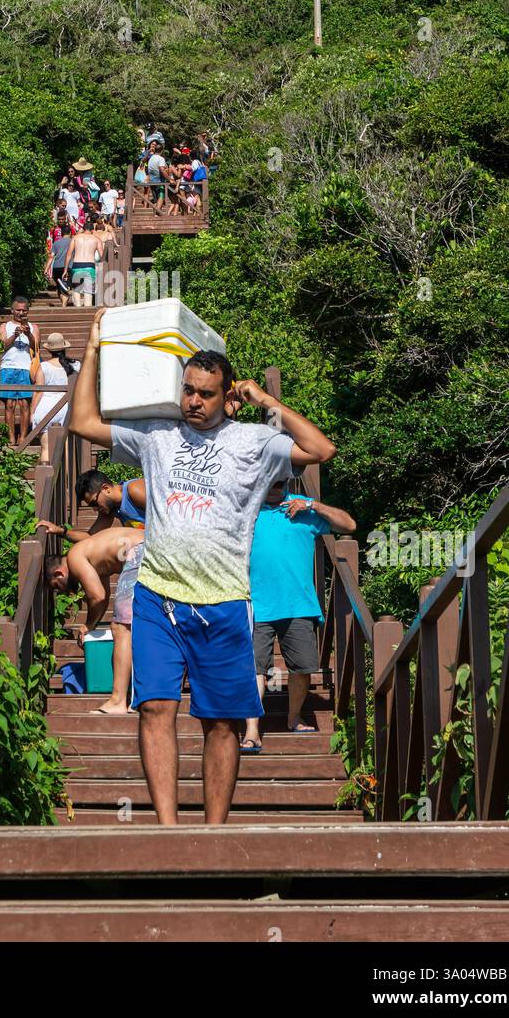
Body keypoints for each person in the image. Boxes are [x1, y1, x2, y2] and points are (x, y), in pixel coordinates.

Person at [69, 309, 337, 826]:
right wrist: (94, 349)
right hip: (157, 598)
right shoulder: (156, 436)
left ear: (227, 392)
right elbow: (83, 423)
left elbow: (320, 448)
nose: (193, 400)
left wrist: (264, 401)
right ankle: (169, 833)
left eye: (206, 393)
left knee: (221, 723)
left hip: (224, 601)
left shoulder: (255, 442)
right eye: (188, 389)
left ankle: (212, 836)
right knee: (154, 709)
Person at [240, 483, 357, 752]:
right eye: (268, 480)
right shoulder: (247, 506)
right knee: (255, 668)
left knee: (304, 668)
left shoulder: (303, 506)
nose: (272, 486)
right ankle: (251, 730)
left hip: (298, 605)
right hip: (255, 603)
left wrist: (313, 505)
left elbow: (349, 525)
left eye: (279, 481)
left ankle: (293, 718)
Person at [46, 526, 145, 715]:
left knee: (121, 627)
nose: (62, 591)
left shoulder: (74, 556)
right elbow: (104, 596)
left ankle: (118, 700)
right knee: (144, 625)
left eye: (56, 587)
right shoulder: (92, 554)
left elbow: (97, 596)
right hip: (149, 545)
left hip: (137, 551)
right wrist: (90, 625)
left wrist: (87, 625)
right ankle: (144, 697)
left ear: (59, 573)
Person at [0, 297, 40, 446]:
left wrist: (28, 334)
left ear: (27, 311)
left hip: (26, 367)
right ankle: (10, 437)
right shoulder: (5, 326)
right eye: (18, 310)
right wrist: (15, 334)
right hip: (8, 367)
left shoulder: (33, 327)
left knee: (24, 404)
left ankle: (23, 438)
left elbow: (36, 346)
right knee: (9, 404)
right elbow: (2, 346)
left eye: (24, 310)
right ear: (12, 310)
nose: (20, 313)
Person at [31, 333, 81, 460]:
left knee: (46, 448)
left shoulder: (43, 366)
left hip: (46, 407)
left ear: (48, 349)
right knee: (67, 448)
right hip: (67, 407)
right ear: (65, 347)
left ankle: (45, 477)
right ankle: (68, 477)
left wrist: (32, 412)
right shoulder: (76, 365)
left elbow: (38, 391)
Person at [63, 227, 102, 308]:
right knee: (88, 291)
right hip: (90, 265)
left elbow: (69, 254)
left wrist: (65, 270)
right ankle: (88, 308)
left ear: (83, 229)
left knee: (76, 289)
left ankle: (78, 306)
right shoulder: (96, 239)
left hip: (77, 265)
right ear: (92, 230)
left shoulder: (75, 238)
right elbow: (102, 256)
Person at [145, 141, 168, 216]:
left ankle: (155, 215)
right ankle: (157, 213)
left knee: (155, 200)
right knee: (161, 197)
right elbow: (162, 169)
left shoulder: (151, 158)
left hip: (152, 182)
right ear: (162, 150)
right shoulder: (161, 158)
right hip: (159, 182)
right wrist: (168, 179)